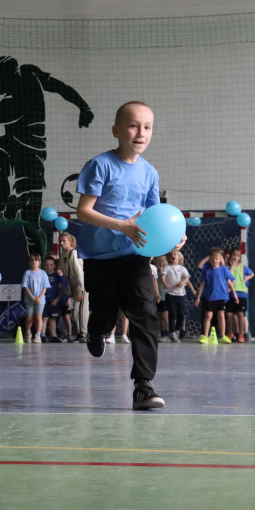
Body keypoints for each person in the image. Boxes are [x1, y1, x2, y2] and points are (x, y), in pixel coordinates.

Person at [76, 101, 180, 410]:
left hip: (135, 257)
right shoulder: (101, 165)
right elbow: (83, 211)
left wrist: (173, 238)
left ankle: (143, 385)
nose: (141, 133)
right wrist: (122, 225)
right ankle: (95, 331)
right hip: (100, 258)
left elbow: (153, 216)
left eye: (147, 127)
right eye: (134, 125)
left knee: (145, 314)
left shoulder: (150, 173)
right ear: (117, 130)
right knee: (105, 316)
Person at [0, 56, 94, 255]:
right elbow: (59, 86)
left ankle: (40, 259)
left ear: (4, 78)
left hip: (30, 157)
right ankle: (7, 204)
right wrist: (83, 106)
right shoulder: (30, 72)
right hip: (16, 145)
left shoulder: (14, 103)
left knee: (30, 223)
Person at [195, 248, 237, 344]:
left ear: (220, 259)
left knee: (221, 315)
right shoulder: (207, 270)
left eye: (217, 258)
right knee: (208, 315)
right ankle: (205, 336)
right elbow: (203, 284)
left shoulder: (224, 269)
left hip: (222, 297)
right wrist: (198, 297)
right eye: (213, 259)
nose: (215, 261)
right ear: (209, 259)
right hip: (210, 297)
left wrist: (234, 294)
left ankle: (222, 336)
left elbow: (229, 282)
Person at [57, 232, 87, 342]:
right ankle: (80, 332)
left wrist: (80, 289)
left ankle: (85, 333)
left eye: (64, 241)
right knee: (74, 313)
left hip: (82, 284)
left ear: (70, 242)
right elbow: (67, 275)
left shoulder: (73, 253)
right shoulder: (62, 255)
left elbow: (79, 273)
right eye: (60, 241)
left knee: (82, 311)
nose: (61, 243)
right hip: (74, 286)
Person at [161, 250, 194, 342]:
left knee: (182, 314)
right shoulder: (167, 267)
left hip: (181, 294)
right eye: (172, 254)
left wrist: (182, 282)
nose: (173, 255)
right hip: (170, 294)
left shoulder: (182, 268)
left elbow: (186, 278)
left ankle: (177, 330)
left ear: (179, 258)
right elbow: (163, 277)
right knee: (172, 313)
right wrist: (164, 284)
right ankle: (172, 332)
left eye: (175, 254)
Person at [21, 252, 50, 343]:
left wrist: (40, 297)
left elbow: (45, 287)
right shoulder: (27, 273)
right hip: (29, 299)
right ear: (30, 261)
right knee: (29, 317)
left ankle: (38, 335)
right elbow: (25, 287)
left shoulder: (43, 273)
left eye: (36, 260)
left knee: (38, 317)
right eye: (32, 260)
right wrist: (32, 297)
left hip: (41, 300)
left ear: (39, 262)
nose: (34, 262)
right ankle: (28, 333)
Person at [226, 250, 254, 342]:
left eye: (238, 256)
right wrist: (232, 267)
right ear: (230, 256)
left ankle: (241, 335)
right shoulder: (226, 267)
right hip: (229, 293)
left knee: (240, 314)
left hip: (241, 293)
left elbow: (252, 273)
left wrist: (247, 277)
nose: (235, 257)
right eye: (233, 255)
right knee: (229, 314)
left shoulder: (243, 267)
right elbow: (227, 276)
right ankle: (230, 333)